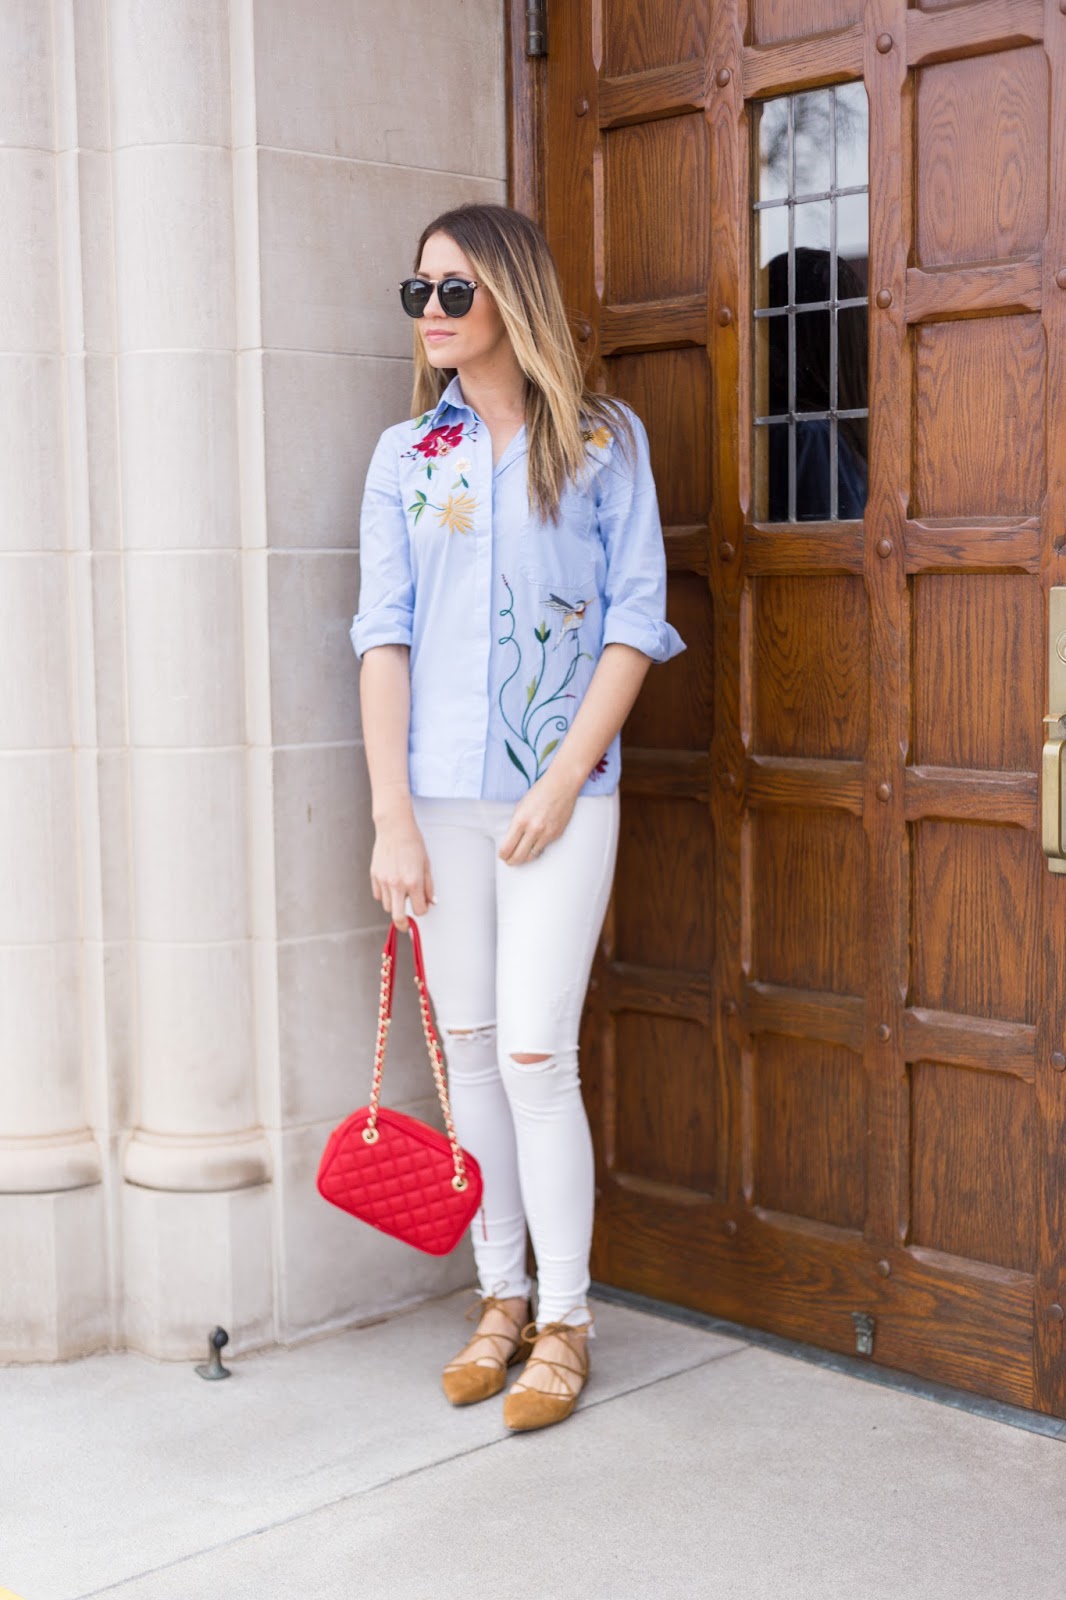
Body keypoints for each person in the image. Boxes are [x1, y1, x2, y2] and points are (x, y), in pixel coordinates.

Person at [350, 202, 684, 1432]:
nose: (431, 313)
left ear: (511, 295)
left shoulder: (602, 441)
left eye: (454, 290)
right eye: (419, 292)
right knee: (474, 1048)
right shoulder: (405, 458)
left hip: (560, 800)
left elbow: (635, 620)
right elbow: (382, 637)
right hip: (435, 801)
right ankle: (500, 1296)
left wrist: (562, 776)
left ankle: (568, 1318)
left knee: (539, 1054)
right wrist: (390, 815)